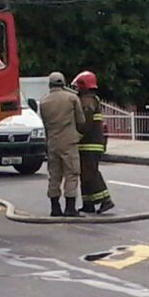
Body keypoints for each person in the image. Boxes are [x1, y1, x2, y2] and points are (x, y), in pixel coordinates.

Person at [38, 70, 85, 217]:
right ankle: (70, 208)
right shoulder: (72, 98)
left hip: (52, 142)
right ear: (63, 83)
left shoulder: (44, 102)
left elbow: (45, 124)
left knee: (54, 175)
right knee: (71, 174)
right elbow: (81, 120)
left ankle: (55, 207)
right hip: (69, 142)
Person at [73, 70, 114, 214]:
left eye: (78, 86)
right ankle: (88, 203)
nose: (76, 89)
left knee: (91, 173)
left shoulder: (88, 100)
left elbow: (85, 122)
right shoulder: (90, 99)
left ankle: (106, 200)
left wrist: (77, 134)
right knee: (85, 173)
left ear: (84, 85)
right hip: (88, 143)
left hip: (90, 143)